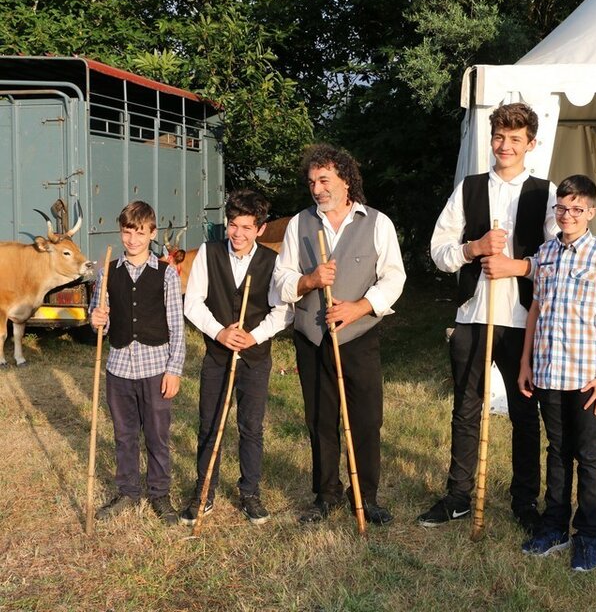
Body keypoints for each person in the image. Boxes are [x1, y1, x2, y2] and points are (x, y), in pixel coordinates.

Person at [420, 102, 558, 533]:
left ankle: (524, 501)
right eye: (499, 136)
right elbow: (438, 250)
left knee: (524, 412)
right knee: (465, 408)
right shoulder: (470, 188)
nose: (505, 145)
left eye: (515, 139)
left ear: (530, 144)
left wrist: (518, 266)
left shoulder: (547, 193)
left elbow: (559, 259)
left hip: (522, 320)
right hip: (473, 314)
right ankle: (458, 497)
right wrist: (473, 248)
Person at [273, 143, 406, 525]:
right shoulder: (299, 224)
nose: (317, 189)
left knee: (366, 419)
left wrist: (359, 307)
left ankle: (366, 495)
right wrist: (309, 280)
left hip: (357, 337)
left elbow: (394, 278)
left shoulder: (377, 223)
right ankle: (326, 493)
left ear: (346, 180)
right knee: (320, 419)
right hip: (312, 339)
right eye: (312, 182)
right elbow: (281, 279)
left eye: (324, 180)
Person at [518, 175, 596, 571]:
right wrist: (525, 362)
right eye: (562, 208)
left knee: (589, 455)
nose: (567, 215)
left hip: (587, 377)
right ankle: (554, 527)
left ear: (591, 212)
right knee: (557, 451)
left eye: (576, 209)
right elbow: (535, 310)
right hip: (549, 371)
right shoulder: (545, 253)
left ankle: (588, 536)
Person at [180, 189, 292, 526]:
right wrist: (219, 333)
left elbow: (283, 311)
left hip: (255, 357)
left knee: (251, 427)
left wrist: (253, 336)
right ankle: (204, 491)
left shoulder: (273, 261)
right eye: (233, 225)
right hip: (217, 356)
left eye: (246, 227)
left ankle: (250, 493)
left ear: (260, 229)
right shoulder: (209, 253)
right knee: (209, 424)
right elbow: (193, 302)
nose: (238, 234)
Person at [90, 201, 185, 525]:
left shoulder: (166, 274)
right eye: (127, 232)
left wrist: (174, 370)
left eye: (140, 233)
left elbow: (177, 327)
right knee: (124, 435)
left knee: (157, 435)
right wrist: (97, 319)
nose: (133, 239)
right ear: (121, 232)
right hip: (118, 369)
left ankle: (159, 494)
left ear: (152, 233)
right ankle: (127, 491)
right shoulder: (107, 272)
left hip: (155, 368)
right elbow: (100, 319)